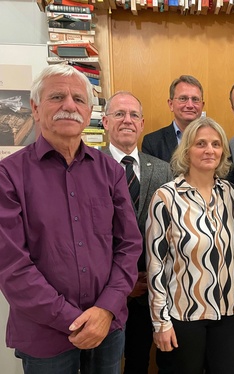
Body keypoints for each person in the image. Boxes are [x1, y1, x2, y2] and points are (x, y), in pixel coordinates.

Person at [0, 64, 142, 374]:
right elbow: (11, 266)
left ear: (89, 111)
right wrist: (74, 320)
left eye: (78, 99)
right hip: (45, 334)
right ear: (35, 109)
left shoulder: (110, 171)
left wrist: (105, 309)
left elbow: (129, 245)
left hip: (108, 327)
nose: (69, 106)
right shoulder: (8, 176)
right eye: (57, 97)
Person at [145, 117, 234, 374]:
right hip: (183, 315)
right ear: (187, 150)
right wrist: (161, 323)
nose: (209, 150)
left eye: (216, 144)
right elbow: (155, 265)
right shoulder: (165, 197)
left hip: (227, 312)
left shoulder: (231, 194)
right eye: (200, 143)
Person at [102, 91, 173, 374]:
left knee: (139, 362)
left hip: (149, 289)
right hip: (102, 292)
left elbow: (170, 233)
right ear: (105, 122)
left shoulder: (164, 171)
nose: (127, 120)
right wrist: (120, 284)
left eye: (133, 115)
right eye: (119, 114)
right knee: (101, 363)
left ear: (142, 123)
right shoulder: (90, 165)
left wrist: (151, 280)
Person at [141, 75, 204, 162]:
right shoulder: (152, 142)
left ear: (202, 105)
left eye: (195, 99)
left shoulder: (215, 141)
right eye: (183, 99)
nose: (190, 105)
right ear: (171, 104)